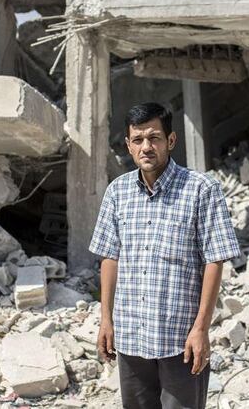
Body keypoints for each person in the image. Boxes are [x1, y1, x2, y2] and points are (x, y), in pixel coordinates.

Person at [89, 102, 241, 409]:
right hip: (131, 337)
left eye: (154, 137)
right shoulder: (117, 193)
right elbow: (110, 258)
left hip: (180, 342)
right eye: (138, 139)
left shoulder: (201, 189)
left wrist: (201, 329)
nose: (146, 146)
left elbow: (215, 260)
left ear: (170, 141)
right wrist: (106, 320)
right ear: (128, 145)